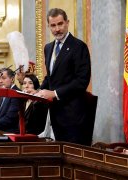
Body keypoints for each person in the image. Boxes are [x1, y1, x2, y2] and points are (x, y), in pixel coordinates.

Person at [35, 8, 91, 144]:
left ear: (67, 23)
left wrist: (54, 93)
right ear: (49, 26)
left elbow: (81, 81)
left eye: (60, 24)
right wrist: (37, 92)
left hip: (73, 116)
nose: (57, 29)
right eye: (53, 25)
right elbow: (50, 77)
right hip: (55, 114)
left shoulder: (78, 46)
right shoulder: (48, 48)